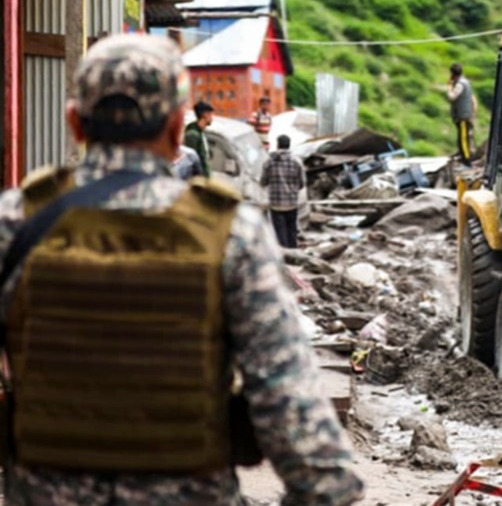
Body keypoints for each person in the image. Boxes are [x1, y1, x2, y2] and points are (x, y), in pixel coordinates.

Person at [0, 34, 363, 505]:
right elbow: (289, 401)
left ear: (75, 123)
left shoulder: (16, 222)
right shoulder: (232, 233)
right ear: (177, 128)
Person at [260, 134, 306, 249]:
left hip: (276, 204)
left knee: (280, 233)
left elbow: (263, 182)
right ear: (289, 145)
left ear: (277, 145)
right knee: (292, 231)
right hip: (292, 203)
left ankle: (285, 257)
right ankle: (294, 253)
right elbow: (302, 183)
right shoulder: (297, 162)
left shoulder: (269, 162)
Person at [447, 63, 476, 166]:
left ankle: (466, 159)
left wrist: (450, 87)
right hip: (467, 115)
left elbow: (452, 96)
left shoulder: (459, 84)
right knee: (463, 137)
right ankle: (464, 156)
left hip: (463, 116)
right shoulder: (466, 82)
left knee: (463, 138)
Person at [184, 100, 215, 177]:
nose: (212, 118)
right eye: (211, 114)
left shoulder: (200, 132)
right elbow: (191, 163)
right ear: (205, 115)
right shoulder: (192, 135)